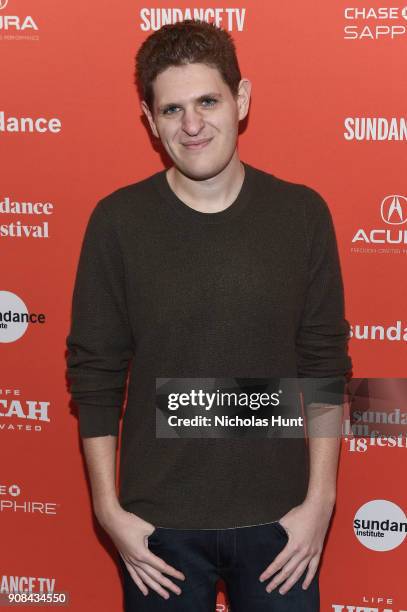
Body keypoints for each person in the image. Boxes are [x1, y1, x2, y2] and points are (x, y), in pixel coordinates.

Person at [66, 19, 352, 611]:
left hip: (281, 527)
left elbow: (324, 366)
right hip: (158, 533)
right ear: (149, 120)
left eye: (207, 100)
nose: (191, 125)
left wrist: (319, 503)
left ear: (241, 99)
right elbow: (94, 377)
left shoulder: (301, 215)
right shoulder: (117, 223)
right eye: (171, 109)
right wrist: (108, 511)